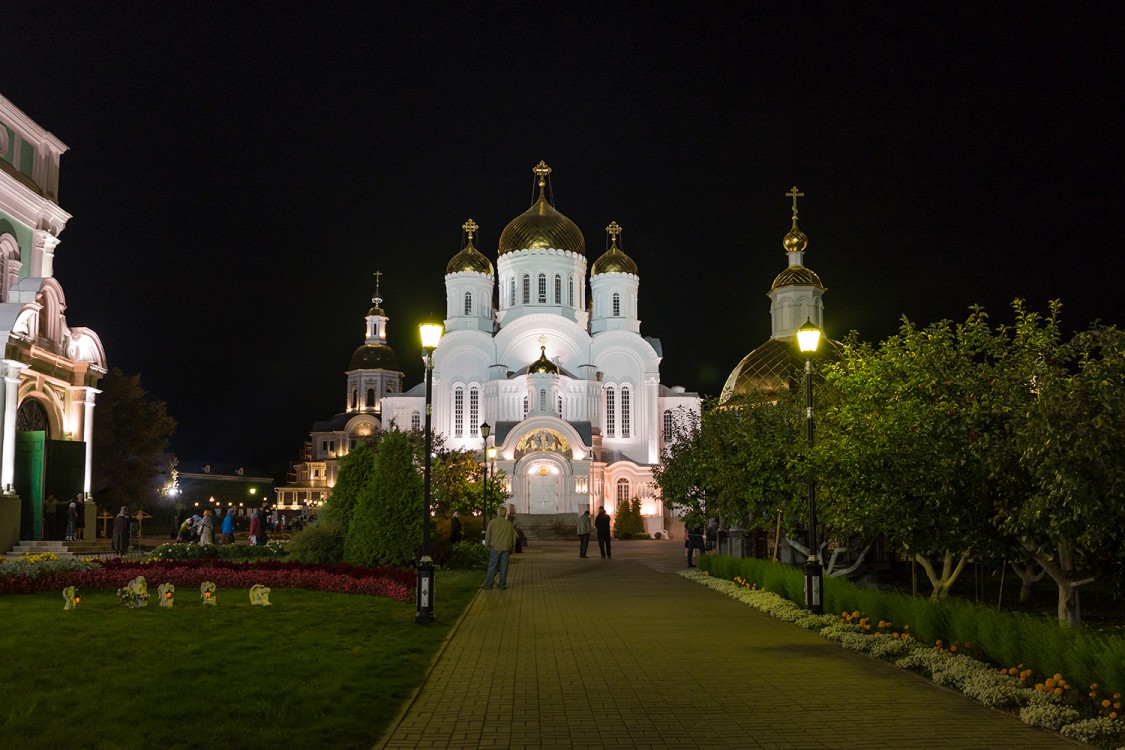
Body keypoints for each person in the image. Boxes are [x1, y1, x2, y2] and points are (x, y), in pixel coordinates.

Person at [482, 503, 516, 590]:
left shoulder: (492, 522)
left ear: (497, 513)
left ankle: (488, 585)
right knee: (504, 567)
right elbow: (513, 537)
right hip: (505, 548)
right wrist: (512, 548)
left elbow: (488, 535)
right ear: (504, 514)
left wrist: (486, 545)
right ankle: (502, 585)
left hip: (495, 547)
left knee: (492, 566)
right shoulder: (509, 524)